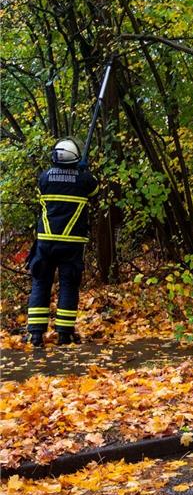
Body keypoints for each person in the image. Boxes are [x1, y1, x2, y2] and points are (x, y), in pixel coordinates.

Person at [24, 138, 99, 347]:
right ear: (75, 157)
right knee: (69, 285)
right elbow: (95, 190)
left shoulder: (44, 177)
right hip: (71, 244)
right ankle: (64, 334)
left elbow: (42, 192)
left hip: (45, 242)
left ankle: (36, 334)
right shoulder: (84, 179)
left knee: (40, 283)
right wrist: (83, 171)